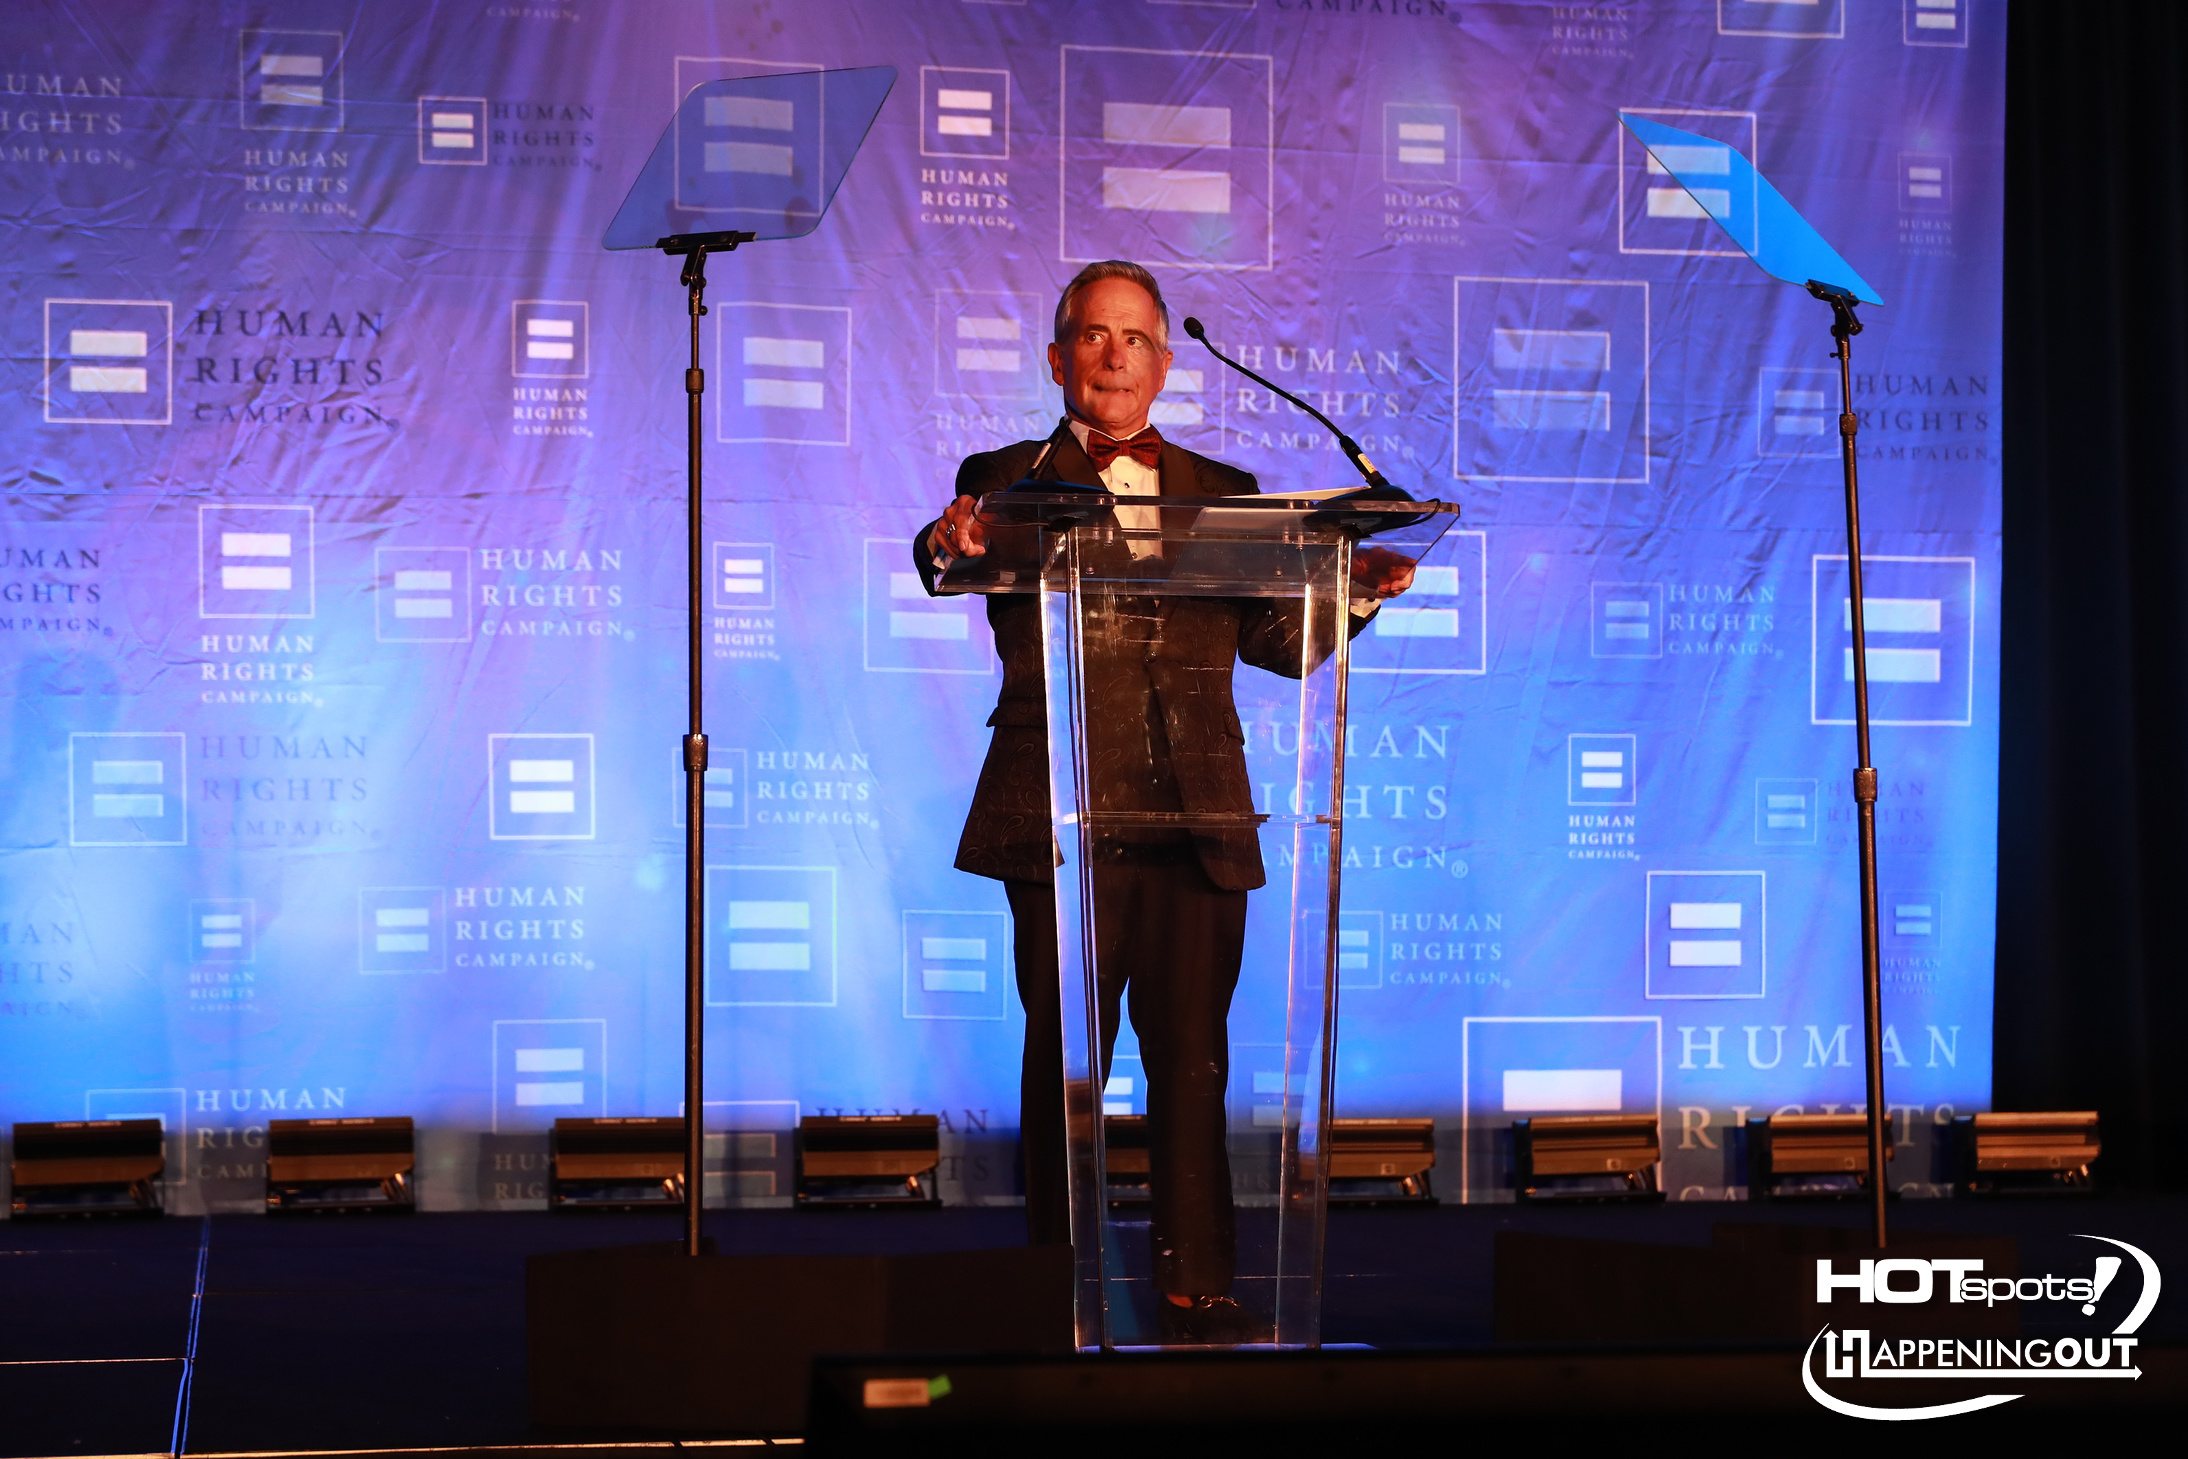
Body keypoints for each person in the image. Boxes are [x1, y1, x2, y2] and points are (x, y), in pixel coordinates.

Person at [909, 261, 1412, 1338]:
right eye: (1092, 335)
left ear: (1165, 363)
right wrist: (946, 540)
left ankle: (1199, 1274)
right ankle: (1060, 1272)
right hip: (1061, 812)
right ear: (1057, 358)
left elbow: (1277, 646)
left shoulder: (1225, 496)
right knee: (1066, 1059)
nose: (1114, 355)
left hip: (1197, 815)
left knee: (1195, 1055)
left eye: (1134, 337)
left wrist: (1354, 595)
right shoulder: (1002, 473)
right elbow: (943, 550)